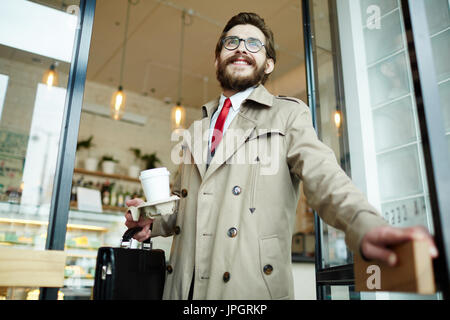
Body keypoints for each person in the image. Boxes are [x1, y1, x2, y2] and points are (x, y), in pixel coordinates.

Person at [125, 12, 438, 300]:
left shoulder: (287, 114)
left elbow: (323, 175)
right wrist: (154, 222)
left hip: (247, 291)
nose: (241, 49)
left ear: (269, 64)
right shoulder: (195, 131)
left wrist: (364, 223)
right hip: (182, 289)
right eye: (231, 42)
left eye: (254, 44)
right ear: (217, 58)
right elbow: (189, 204)